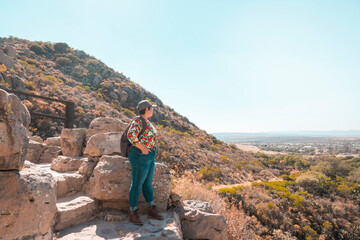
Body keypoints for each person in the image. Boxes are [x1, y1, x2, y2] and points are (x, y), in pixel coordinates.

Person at [127, 100, 164, 225]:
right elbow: (131, 135)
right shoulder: (138, 121)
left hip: (149, 156)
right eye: (151, 108)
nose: (152, 110)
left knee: (147, 184)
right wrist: (142, 148)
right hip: (140, 155)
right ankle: (133, 213)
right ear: (147, 109)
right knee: (136, 184)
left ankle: (151, 209)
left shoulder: (146, 122)